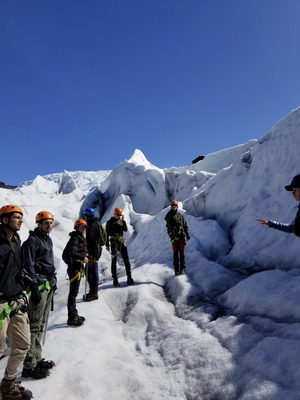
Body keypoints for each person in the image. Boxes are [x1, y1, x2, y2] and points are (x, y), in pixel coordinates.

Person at [0, 205, 32, 400]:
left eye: (21, 217)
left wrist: (23, 281)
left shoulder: (16, 240)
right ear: (5, 220)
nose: (21, 220)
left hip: (15, 299)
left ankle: (8, 385)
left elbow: (15, 267)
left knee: (22, 345)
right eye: (17, 217)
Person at [21, 211, 57, 380]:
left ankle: (37, 358)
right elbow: (28, 266)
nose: (49, 225)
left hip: (47, 284)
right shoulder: (32, 241)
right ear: (39, 223)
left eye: (50, 222)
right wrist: (34, 287)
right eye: (46, 223)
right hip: (38, 286)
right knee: (34, 325)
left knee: (41, 323)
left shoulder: (47, 239)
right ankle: (29, 366)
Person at [66, 219, 89, 327]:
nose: (83, 229)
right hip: (74, 268)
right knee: (73, 293)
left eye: (84, 227)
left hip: (76, 267)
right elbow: (72, 253)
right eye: (82, 227)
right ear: (77, 227)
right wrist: (83, 257)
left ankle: (74, 314)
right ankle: (72, 318)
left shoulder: (78, 237)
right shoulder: (75, 238)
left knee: (74, 293)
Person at [105, 207, 134, 287]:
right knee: (114, 261)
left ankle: (129, 278)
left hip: (121, 241)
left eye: (120, 215)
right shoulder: (109, 222)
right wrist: (107, 245)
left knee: (126, 260)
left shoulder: (121, 221)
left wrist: (123, 221)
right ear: (114, 214)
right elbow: (106, 234)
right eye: (117, 215)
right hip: (114, 242)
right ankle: (115, 280)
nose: (118, 216)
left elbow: (125, 229)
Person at [165, 200, 190, 276]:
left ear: (177, 206)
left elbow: (185, 226)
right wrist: (170, 233)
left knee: (182, 253)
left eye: (175, 205)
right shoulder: (169, 215)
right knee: (175, 253)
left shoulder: (181, 216)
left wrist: (187, 234)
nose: (173, 207)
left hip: (181, 236)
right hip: (174, 237)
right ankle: (176, 270)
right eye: (172, 205)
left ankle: (182, 268)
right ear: (171, 206)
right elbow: (168, 225)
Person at [82, 208, 101, 301]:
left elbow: (90, 240)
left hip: (93, 253)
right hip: (95, 252)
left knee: (92, 272)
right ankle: (93, 291)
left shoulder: (92, 225)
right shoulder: (94, 223)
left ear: (87, 216)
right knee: (90, 271)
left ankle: (94, 293)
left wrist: (89, 253)